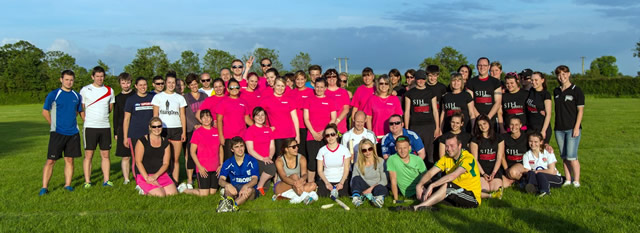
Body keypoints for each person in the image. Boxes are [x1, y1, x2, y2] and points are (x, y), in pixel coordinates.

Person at [402, 134, 481, 211]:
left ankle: (417, 207)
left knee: (447, 186)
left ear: (459, 146)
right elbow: (430, 173)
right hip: (455, 193)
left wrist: (433, 185)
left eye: (452, 145)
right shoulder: (446, 157)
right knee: (427, 184)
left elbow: (453, 176)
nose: (448, 149)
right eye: (446, 146)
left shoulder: (468, 158)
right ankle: (428, 205)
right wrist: (419, 185)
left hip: (471, 197)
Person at [40, 70, 84, 195]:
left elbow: (78, 111)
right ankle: (44, 187)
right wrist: (53, 125)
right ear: (61, 80)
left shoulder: (76, 96)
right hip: (57, 133)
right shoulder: (54, 94)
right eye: (67, 80)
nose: (69, 82)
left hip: (73, 134)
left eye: (71, 80)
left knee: (69, 160)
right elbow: (45, 111)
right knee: (51, 161)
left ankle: (68, 185)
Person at [80, 66, 115, 188]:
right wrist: (86, 120)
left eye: (102, 76)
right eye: (97, 76)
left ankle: (106, 180)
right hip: (90, 127)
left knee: (105, 155)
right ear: (92, 77)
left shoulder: (110, 90)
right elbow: (81, 108)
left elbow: (110, 108)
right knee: (89, 155)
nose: (100, 79)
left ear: (104, 77)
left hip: (105, 127)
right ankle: (87, 181)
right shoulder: (85, 90)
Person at [152, 71, 187, 183]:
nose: (171, 85)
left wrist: (184, 132)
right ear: (165, 83)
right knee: (163, 159)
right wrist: (154, 131)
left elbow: (182, 116)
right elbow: (155, 116)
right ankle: (163, 180)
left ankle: (175, 182)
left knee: (175, 159)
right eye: (169, 82)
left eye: (173, 83)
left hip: (177, 129)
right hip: (163, 130)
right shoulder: (158, 97)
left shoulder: (180, 98)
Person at [553, 65, 584, 188]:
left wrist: (576, 128)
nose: (562, 77)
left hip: (572, 128)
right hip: (559, 129)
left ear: (569, 74)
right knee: (564, 156)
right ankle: (568, 179)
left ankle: (576, 180)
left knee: (572, 156)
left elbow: (580, 111)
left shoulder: (577, 90)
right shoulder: (556, 91)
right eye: (559, 74)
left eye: (564, 74)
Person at [181, 110, 223, 196]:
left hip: (215, 168)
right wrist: (199, 167)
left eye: (208, 117)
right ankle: (184, 189)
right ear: (200, 119)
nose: (206, 119)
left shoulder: (217, 131)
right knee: (204, 195)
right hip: (203, 168)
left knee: (212, 193)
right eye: (203, 117)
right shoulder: (197, 132)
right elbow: (192, 152)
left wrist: (221, 164)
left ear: (211, 119)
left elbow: (220, 149)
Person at [134, 117, 178, 197]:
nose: (157, 129)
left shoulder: (165, 142)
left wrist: (156, 176)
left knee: (173, 194)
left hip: (160, 174)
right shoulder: (142, 141)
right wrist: (147, 178)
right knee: (160, 195)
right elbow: (138, 162)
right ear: (150, 127)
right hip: (144, 175)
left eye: (159, 126)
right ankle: (142, 189)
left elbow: (166, 163)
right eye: (154, 127)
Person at [404, 69, 440, 165]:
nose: (421, 81)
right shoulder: (410, 93)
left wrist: (437, 127)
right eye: (419, 79)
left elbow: (435, 111)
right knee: (416, 150)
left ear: (426, 79)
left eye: (423, 79)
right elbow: (407, 112)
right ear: (415, 79)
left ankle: (430, 173)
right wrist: (407, 129)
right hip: (415, 126)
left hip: (429, 125)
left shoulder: (431, 92)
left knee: (429, 151)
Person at [303, 78, 336, 182]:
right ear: (314, 87)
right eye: (317, 87)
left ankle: (324, 183)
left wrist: (323, 132)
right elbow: (306, 118)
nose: (319, 89)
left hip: (326, 136)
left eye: (322, 87)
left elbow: (333, 118)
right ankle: (310, 184)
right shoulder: (308, 100)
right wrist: (313, 132)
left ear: (325, 88)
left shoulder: (330, 101)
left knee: (326, 160)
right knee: (312, 161)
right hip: (311, 136)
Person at [261, 76, 300, 156]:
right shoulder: (266, 100)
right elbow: (258, 115)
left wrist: (297, 135)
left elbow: (295, 118)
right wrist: (266, 127)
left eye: (282, 86)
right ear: (274, 86)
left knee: (291, 158)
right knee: (279, 159)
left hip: (290, 135)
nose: (280, 88)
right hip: (276, 135)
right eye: (278, 85)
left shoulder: (290, 100)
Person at [218, 137, 259, 212]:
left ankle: (231, 206)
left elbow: (255, 180)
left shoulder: (252, 160)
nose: (240, 149)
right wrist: (228, 185)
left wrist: (246, 186)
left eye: (241, 146)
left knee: (249, 190)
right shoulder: (228, 162)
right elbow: (220, 180)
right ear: (232, 149)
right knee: (227, 188)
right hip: (235, 188)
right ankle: (229, 204)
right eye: (236, 147)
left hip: (249, 189)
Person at [217, 79, 253, 160]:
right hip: (228, 137)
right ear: (227, 89)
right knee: (230, 161)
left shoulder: (243, 102)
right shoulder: (223, 102)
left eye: (236, 87)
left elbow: (247, 119)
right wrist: (221, 136)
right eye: (231, 87)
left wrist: (259, 127)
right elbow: (219, 120)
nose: (234, 89)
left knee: (242, 160)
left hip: (242, 136)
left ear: (239, 88)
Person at [182, 73, 207, 189]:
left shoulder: (204, 96)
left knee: (203, 153)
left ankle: (201, 174)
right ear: (188, 86)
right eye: (191, 85)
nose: (194, 86)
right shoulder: (185, 98)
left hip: (204, 128)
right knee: (190, 154)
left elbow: (207, 112)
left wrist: (203, 124)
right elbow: (186, 115)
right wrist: (195, 126)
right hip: (191, 129)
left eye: (195, 84)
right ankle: (189, 179)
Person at [470, 115, 504, 199]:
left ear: (489, 123)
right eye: (480, 125)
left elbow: (499, 157)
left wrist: (493, 173)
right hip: (481, 170)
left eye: (484, 123)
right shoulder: (474, 140)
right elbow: (475, 159)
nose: (483, 126)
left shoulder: (499, 138)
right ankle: (489, 196)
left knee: (495, 189)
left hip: (494, 169)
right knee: (484, 189)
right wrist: (483, 174)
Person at [243, 107, 275, 196]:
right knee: (272, 168)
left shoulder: (268, 130)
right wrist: (263, 159)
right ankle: (259, 185)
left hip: (266, 158)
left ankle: (259, 185)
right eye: (258, 115)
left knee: (266, 189)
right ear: (253, 117)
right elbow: (250, 150)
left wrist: (270, 157)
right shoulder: (250, 130)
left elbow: (272, 147)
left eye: (262, 115)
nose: (260, 117)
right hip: (255, 159)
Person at [522, 132, 565, 197]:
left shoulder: (548, 152)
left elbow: (551, 171)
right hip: (537, 177)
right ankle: (533, 189)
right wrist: (533, 173)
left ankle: (545, 191)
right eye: (531, 141)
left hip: (555, 178)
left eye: (536, 142)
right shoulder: (527, 155)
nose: (533, 144)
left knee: (539, 174)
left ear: (541, 142)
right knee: (530, 173)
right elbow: (527, 171)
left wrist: (536, 172)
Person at [466, 57, 502, 132]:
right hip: (476, 119)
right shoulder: (470, 82)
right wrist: (479, 118)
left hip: (492, 119)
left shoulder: (495, 82)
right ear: (477, 66)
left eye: (485, 65)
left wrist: (488, 118)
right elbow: (470, 102)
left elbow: (498, 102)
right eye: (480, 65)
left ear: (489, 67)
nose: (482, 67)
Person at [315, 124, 351, 197]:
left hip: (341, 180)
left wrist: (341, 183)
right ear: (325, 138)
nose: (330, 137)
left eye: (332, 134)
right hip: (326, 180)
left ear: (337, 135)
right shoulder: (322, 151)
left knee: (344, 196)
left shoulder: (344, 150)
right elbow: (320, 171)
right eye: (327, 135)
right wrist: (327, 183)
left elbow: (346, 169)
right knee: (322, 196)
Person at [387, 136, 427, 201]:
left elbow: (425, 176)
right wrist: (396, 199)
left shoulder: (418, 159)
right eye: (399, 148)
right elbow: (393, 180)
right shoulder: (392, 159)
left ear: (409, 148)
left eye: (405, 148)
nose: (402, 151)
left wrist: (422, 187)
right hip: (408, 193)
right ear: (395, 148)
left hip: (420, 187)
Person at [350, 139, 388, 208]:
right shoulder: (357, 165)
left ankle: (379, 200)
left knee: (381, 188)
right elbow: (353, 181)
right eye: (364, 150)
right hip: (364, 187)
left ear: (373, 149)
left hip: (377, 186)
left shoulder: (380, 161)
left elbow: (384, 180)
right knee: (356, 178)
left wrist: (370, 189)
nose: (368, 152)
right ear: (361, 152)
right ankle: (356, 198)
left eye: (369, 149)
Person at [364, 74, 403, 139]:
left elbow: (399, 117)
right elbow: (368, 118)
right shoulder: (372, 99)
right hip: (376, 136)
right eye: (381, 83)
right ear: (378, 85)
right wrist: (370, 133)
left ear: (389, 85)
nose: (384, 85)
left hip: (391, 136)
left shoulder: (395, 99)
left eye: (386, 83)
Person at [123, 77, 154, 156]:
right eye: (140, 85)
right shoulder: (131, 100)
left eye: (144, 85)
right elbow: (126, 119)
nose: (143, 87)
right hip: (135, 134)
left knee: (150, 158)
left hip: (150, 133)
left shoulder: (153, 98)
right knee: (137, 159)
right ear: (136, 86)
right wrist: (125, 137)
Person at [113, 72, 134, 184]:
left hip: (136, 128)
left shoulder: (136, 95)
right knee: (125, 156)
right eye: (123, 83)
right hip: (122, 129)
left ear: (131, 83)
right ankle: (126, 178)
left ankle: (139, 176)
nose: (126, 85)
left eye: (128, 82)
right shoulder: (118, 98)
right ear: (120, 83)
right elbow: (115, 116)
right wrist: (115, 132)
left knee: (138, 156)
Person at [526, 71, 552, 144]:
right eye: (532, 80)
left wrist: (543, 131)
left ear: (542, 80)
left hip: (541, 127)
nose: (533, 82)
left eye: (536, 80)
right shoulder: (530, 91)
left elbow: (548, 114)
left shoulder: (545, 94)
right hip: (530, 128)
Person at [501, 117, 528, 187]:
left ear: (520, 125)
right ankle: (517, 181)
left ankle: (528, 181)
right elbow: (502, 156)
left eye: (516, 125)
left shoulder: (526, 137)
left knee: (512, 172)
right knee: (503, 184)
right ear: (509, 125)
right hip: (508, 165)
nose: (514, 127)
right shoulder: (504, 137)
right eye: (511, 124)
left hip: (520, 165)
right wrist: (506, 170)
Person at [292, 70, 314, 157]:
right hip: (295, 127)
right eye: (297, 79)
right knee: (297, 151)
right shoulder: (291, 93)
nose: (300, 81)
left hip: (307, 127)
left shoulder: (311, 92)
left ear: (305, 80)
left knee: (308, 151)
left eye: (302, 79)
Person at [324, 68, 350, 133]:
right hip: (325, 128)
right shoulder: (323, 92)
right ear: (326, 79)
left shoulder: (343, 92)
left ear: (337, 78)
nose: (331, 78)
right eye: (329, 77)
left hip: (340, 127)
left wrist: (336, 122)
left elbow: (346, 109)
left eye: (334, 76)